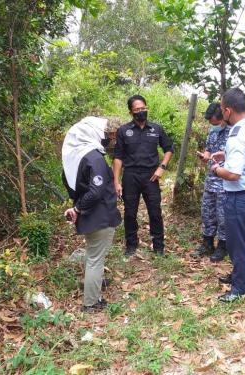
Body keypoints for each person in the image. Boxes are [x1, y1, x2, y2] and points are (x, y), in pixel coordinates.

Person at [210, 88, 245, 302]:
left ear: (228, 110)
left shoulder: (237, 136)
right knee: (240, 240)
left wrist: (215, 169)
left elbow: (232, 173)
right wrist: (225, 154)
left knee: (236, 243)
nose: (222, 113)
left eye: (222, 109)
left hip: (239, 198)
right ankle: (238, 275)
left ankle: (241, 288)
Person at [62, 116, 122, 312]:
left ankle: (94, 295)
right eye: (108, 135)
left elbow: (73, 185)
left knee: (93, 257)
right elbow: (96, 191)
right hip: (100, 216)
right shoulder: (94, 157)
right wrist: (79, 208)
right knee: (96, 260)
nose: (109, 139)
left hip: (91, 216)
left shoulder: (76, 158)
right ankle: (91, 303)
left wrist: (77, 207)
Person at [113, 95, 173, 256]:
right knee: (130, 212)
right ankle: (131, 245)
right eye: (137, 109)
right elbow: (118, 157)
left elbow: (168, 149)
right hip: (130, 176)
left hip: (151, 176)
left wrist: (162, 167)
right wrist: (116, 182)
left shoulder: (156, 129)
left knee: (155, 211)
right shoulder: (124, 131)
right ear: (131, 112)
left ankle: (158, 246)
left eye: (143, 108)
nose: (141, 112)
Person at [192, 102, 231, 262]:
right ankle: (207, 243)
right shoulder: (212, 132)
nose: (213, 126)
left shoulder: (234, 134)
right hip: (211, 181)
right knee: (207, 213)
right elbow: (209, 148)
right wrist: (205, 156)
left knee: (223, 216)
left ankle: (223, 246)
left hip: (225, 183)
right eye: (211, 124)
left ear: (223, 118)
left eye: (215, 123)